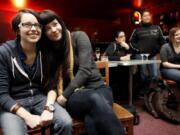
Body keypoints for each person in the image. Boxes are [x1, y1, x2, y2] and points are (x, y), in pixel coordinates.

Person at [39, 10, 125, 135]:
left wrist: (63, 96)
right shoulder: (50, 52)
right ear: (44, 33)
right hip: (75, 94)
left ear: (61, 23)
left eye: (55, 24)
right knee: (94, 100)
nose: (53, 29)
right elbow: (52, 80)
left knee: (92, 116)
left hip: (98, 88)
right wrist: (63, 97)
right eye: (47, 28)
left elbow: (85, 70)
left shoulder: (78, 37)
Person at [0, 9, 72, 135]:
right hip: (13, 102)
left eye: (37, 25)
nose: (34, 28)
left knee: (65, 122)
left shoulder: (45, 51)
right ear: (17, 30)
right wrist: (28, 117)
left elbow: (52, 85)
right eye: (27, 24)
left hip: (39, 98)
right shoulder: (4, 52)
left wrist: (49, 108)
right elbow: (2, 95)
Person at [129, 9, 166, 94]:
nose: (147, 17)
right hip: (141, 56)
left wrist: (157, 50)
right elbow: (131, 42)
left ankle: (149, 91)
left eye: (148, 15)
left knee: (154, 75)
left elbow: (162, 41)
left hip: (152, 55)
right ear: (141, 18)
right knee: (144, 76)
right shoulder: (137, 30)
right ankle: (143, 91)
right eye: (144, 16)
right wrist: (138, 50)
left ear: (150, 17)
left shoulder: (157, 28)